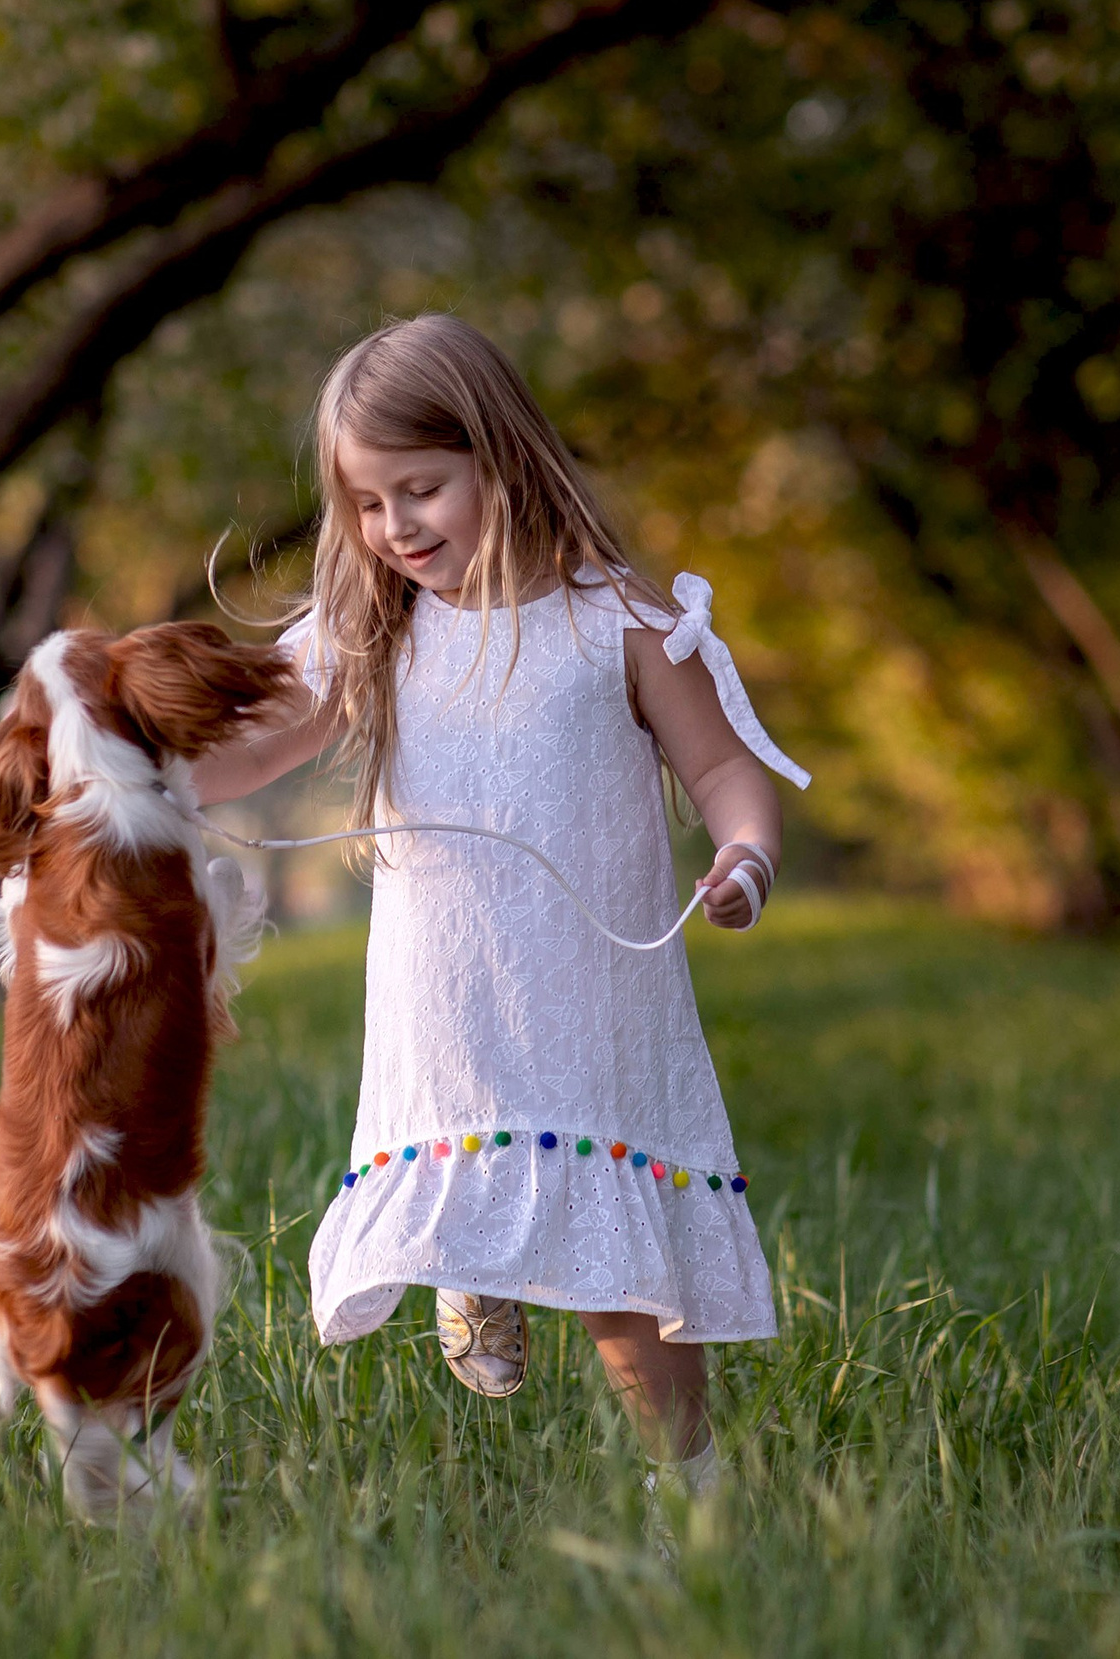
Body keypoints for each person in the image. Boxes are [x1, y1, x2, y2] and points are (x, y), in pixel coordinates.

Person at [192, 313, 809, 1495]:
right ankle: (476, 1261)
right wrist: (136, 783)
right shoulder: (379, 626)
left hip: (591, 1007)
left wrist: (747, 857)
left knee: (623, 1282)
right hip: (452, 999)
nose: (394, 527)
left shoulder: (615, 622)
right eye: (367, 504)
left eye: (421, 488)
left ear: (502, 457)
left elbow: (725, 769)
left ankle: (692, 1486)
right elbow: (254, 751)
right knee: (465, 1166)